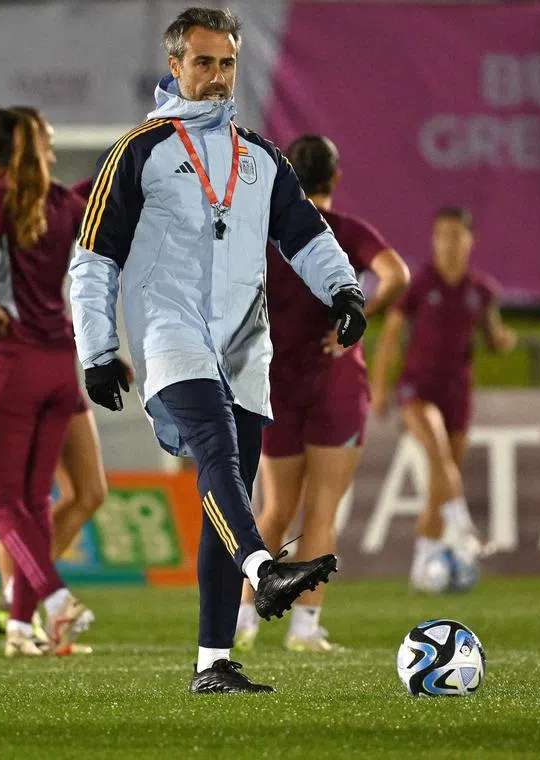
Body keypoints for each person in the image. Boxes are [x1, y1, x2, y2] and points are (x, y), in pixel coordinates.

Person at [69, 8, 366, 693]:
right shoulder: (138, 152)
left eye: (226, 63)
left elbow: (308, 236)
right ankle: (264, 572)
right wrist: (97, 346)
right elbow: (93, 259)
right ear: (174, 67)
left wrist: (345, 293)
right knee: (216, 454)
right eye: (202, 63)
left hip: (246, 344)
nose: (216, 77)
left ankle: (213, 662)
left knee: (221, 496)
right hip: (170, 333)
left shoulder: (260, 157)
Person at [0, 108, 129, 645]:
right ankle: (20, 624)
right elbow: (96, 195)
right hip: (58, 367)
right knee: (33, 504)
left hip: (9, 365)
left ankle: (57, 599)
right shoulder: (63, 202)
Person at [233, 135, 410, 653]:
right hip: (334, 383)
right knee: (323, 510)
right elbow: (396, 275)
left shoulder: (266, 234)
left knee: (273, 509)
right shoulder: (347, 232)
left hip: (276, 384)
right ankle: (305, 628)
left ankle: (241, 618)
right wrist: (358, 320)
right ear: (335, 177)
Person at [370, 207, 517, 593]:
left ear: (470, 241)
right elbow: (390, 336)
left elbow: (493, 337)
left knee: (441, 478)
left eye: (455, 236)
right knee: (437, 450)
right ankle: (463, 527)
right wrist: (380, 387)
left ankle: (424, 561)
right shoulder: (420, 284)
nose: (447, 244)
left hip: (458, 393)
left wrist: (503, 343)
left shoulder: (481, 291)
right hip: (416, 388)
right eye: (441, 236)